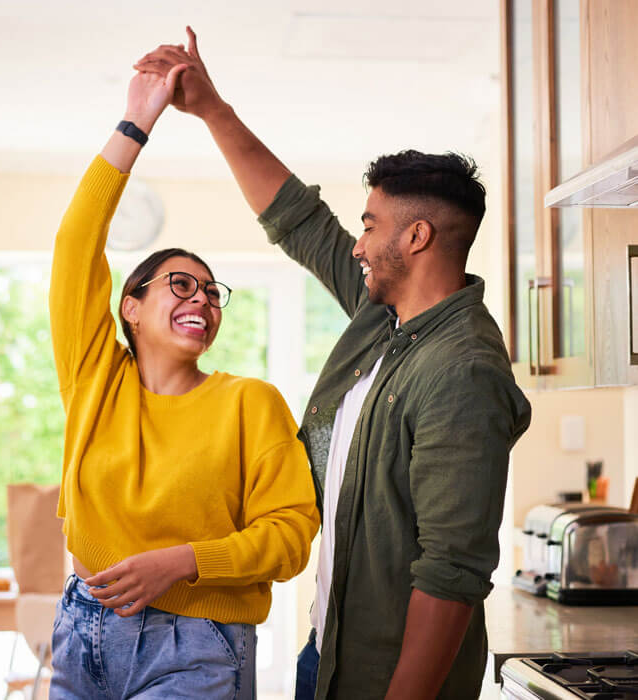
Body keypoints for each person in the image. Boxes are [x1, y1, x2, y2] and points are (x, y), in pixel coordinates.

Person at [134, 28, 532, 700]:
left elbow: (451, 573)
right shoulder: (388, 320)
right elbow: (300, 220)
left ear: (417, 236)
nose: (358, 244)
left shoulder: (461, 372)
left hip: (386, 681)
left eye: (371, 225)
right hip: (329, 653)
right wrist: (211, 109)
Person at [48, 61, 319, 699]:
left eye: (211, 290)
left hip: (196, 642)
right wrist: (136, 122)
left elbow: (291, 535)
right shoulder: (94, 381)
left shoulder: (250, 403)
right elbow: (74, 247)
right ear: (131, 307)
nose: (202, 297)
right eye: (180, 283)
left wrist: (183, 561)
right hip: (82, 628)